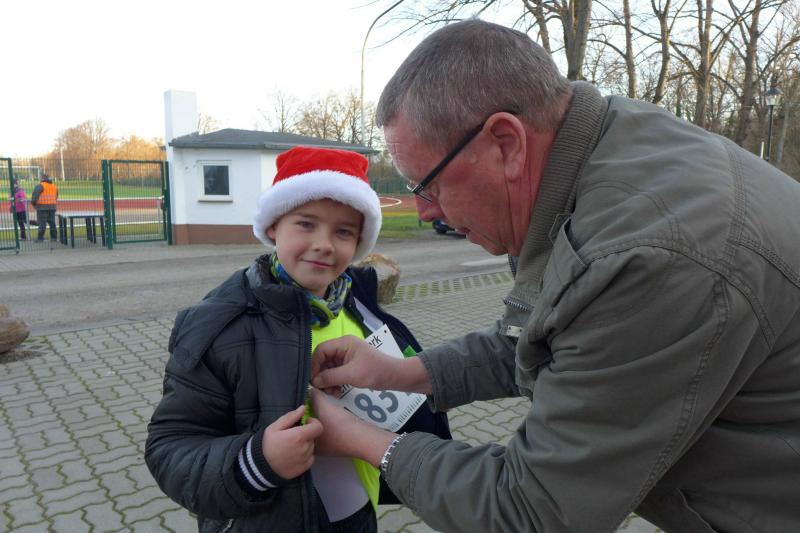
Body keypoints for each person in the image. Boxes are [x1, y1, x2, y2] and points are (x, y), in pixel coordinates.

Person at [309, 19, 800, 533]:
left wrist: (362, 440)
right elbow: (559, 338)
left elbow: (532, 511)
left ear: (506, 143)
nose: (426, 211)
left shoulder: (647, 255)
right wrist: (404, 373)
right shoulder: (609, 148)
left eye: (426, 185)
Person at [146, 146, 450, 533]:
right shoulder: (220, 325)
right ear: (274, 225)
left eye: (343, 231)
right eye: (306, 224)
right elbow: (170, 448)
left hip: (359, 516)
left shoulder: (360, 309)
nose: (325, 244)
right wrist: (256, 462)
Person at [31, 173, 58, 242]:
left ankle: (40, 238)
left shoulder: (40, 186)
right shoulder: (54, 186)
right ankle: (54, 238)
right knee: (52, 223)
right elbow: (56, 196)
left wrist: (34, 204)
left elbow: (34, 196)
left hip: (42, 207)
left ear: (42, 178)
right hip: (52, 207)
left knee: (42, 223)